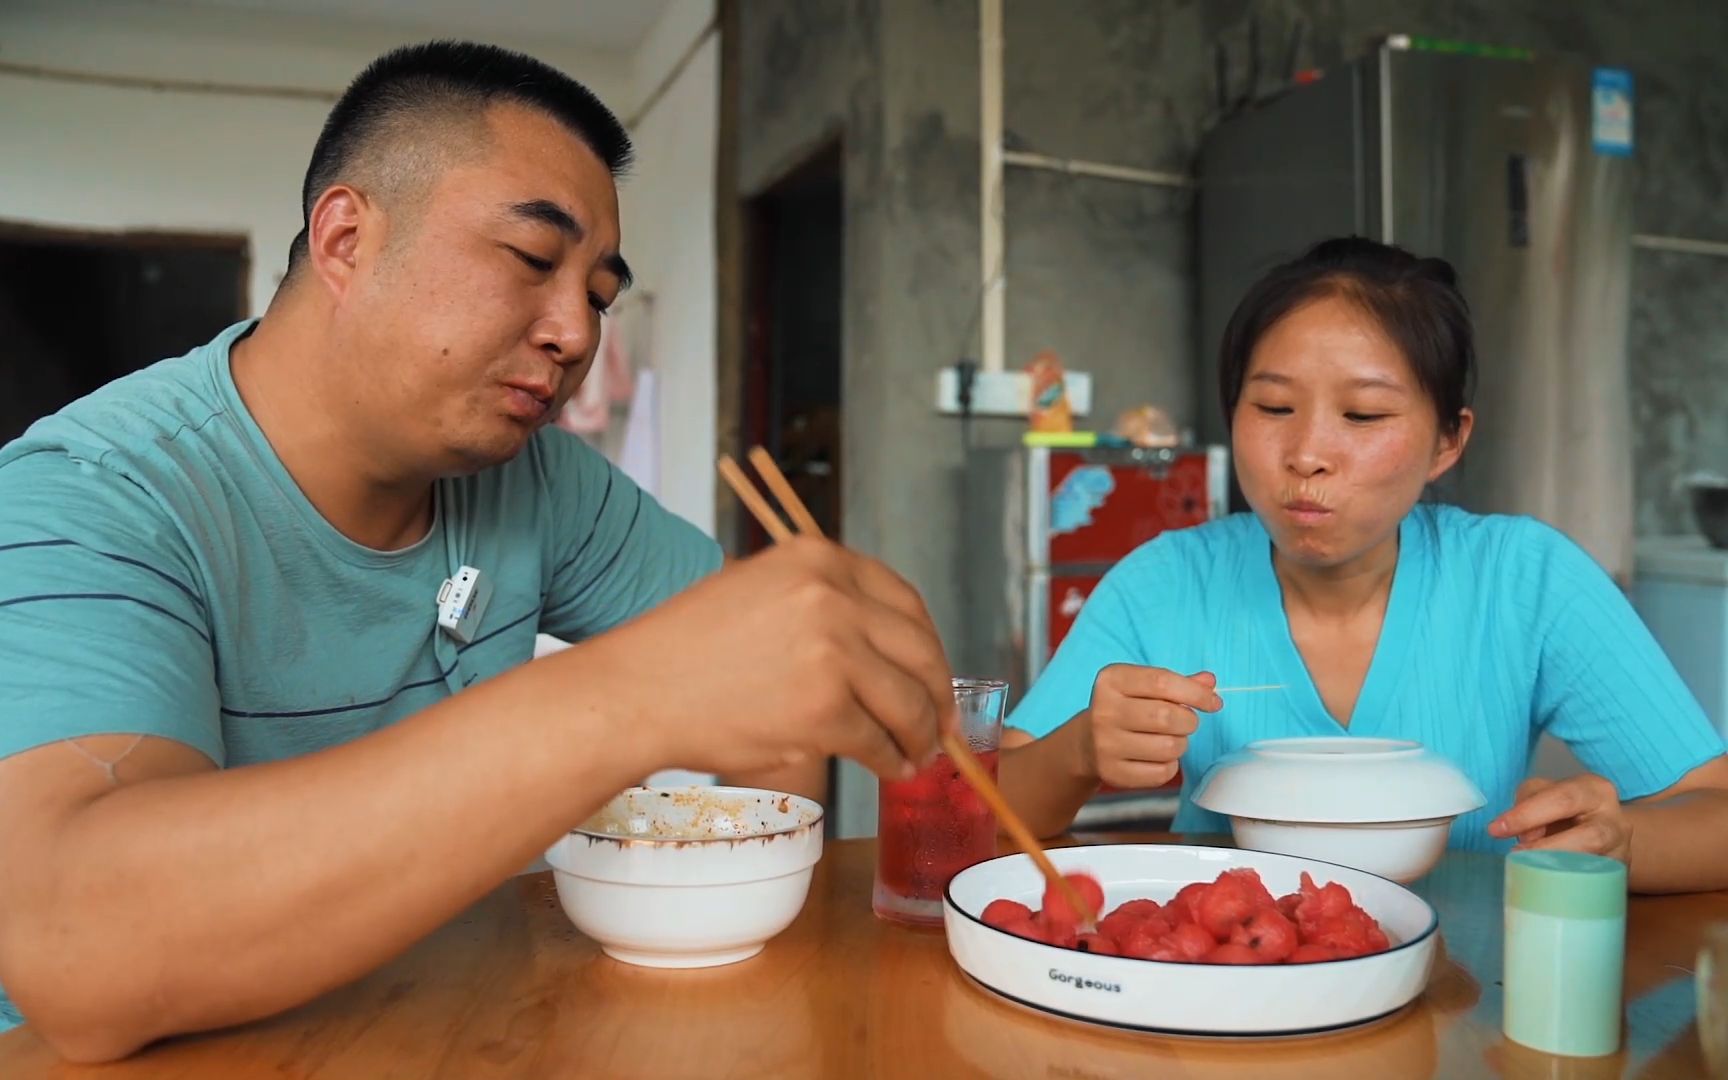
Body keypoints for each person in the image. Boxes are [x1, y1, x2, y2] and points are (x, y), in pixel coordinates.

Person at [0, 42, 948, 1061]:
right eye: (536, 261)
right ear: (348, 238)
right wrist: (630, 697)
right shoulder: (95, 493)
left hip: (453, 1029)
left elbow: (775, 715)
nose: (575, 332)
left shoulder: (534, 475)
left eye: (599, 292)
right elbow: (77, 943)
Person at [998, 237, 1728, 893]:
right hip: (1229, 1000)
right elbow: (982, 808)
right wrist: (1079, 749)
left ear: (1448, 440)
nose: (1308, 453)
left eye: (1365, 416)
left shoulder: (1525, 581)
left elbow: (1713, 809)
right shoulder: (1165, 583)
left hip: (1466, 1006)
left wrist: (1625, 841)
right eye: (1274, 407)